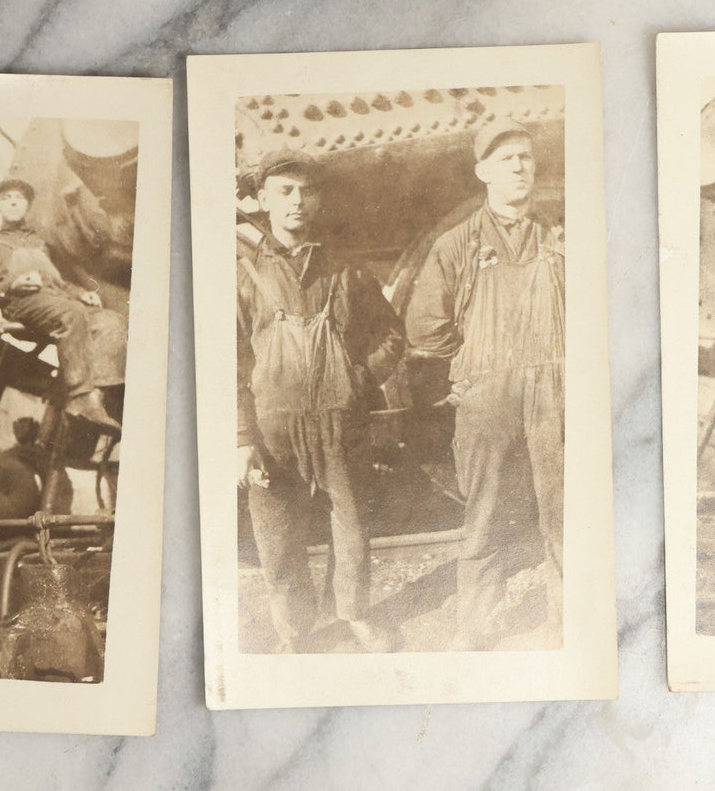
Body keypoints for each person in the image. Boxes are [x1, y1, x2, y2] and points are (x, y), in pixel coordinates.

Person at [237, 149, 405, 653]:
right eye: (285, 191)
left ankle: (355, 615)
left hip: (339, 423)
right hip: (272, 429)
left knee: (351, 526)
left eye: (307, 191)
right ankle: (294, 630)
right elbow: (225, 361)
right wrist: (241, 438)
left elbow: (392, 334)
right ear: (262, 199)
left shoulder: (345, 269)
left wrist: (357, 379)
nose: (297, 201)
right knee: (278, 538)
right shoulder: (241, 273)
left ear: (319, 200)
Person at [405, 120, 565, 650]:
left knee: (563, 508)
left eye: (525, 158)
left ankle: (565, 622)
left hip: (554, 394)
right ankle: (476, 626)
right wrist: (474, 365)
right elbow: (424, 326)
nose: (519, 167)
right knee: (486, 514)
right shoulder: (456, 245)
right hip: (487, 397)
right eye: (506, 160)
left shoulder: (558, 238)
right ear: (483, 173)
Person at [0, 178, 126, 431]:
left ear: (28, 206)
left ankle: (95, 397)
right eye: (7, 198)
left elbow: (60, 282)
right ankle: (79, 398)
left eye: (19, 198)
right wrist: (10, 286)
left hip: (57, 300)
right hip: (21, 303)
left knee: (111, 321)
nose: (13, 202)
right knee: (72, 314)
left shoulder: (41, 245)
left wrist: (81, 293)